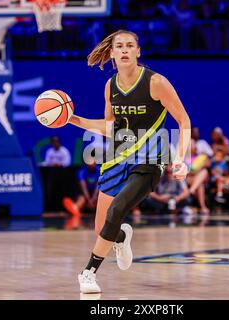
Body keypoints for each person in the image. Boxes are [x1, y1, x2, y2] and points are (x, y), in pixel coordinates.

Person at [68, 30, 191, 294]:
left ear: (138, 51)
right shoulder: (110, 86)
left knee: (118, 209)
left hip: (150, 159)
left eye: (130, 46)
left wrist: (180, 158)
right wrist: (75, 119)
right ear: (111, 53)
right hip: (117, 156)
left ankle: (87, 272)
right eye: (119, 46)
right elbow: (112, 127)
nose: (124, 50)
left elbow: (183, 121)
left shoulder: (155, 82)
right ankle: (121, 237)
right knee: (102, 228)